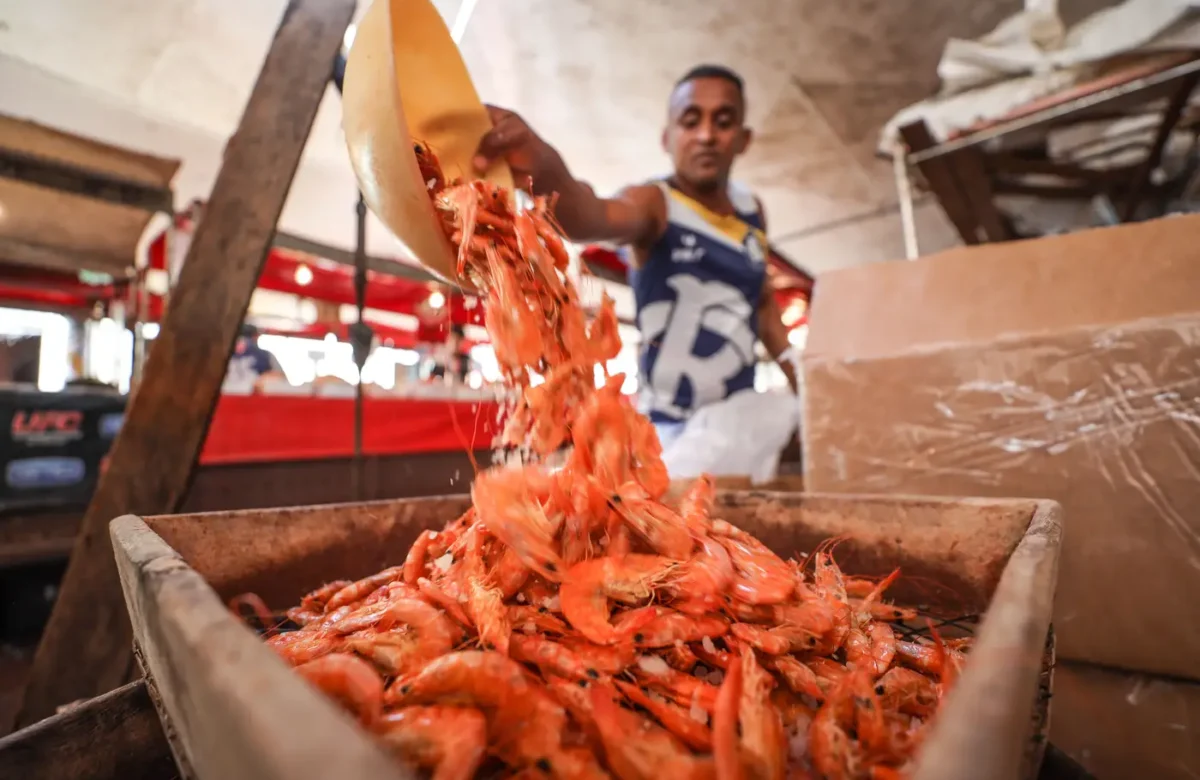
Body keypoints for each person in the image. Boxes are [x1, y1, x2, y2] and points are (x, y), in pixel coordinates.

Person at [472, 64, 800, 467]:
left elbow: (763, 305)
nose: (707, 135)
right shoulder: (654, 203)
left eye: (724, 121)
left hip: (740, 426)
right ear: (668, 137)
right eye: (691, 120)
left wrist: (802, 381)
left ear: (744, 139)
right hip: (668, 436)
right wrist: (545, 170)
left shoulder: (753, 212)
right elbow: (591, 215)